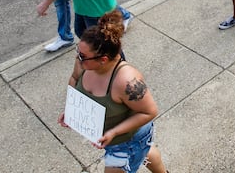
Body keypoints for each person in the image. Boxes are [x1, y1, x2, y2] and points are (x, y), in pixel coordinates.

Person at [59, 10, 167, 173]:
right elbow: (74, 78)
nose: (78, 58)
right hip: (114, 139)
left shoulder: (127, 81)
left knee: (138, 150)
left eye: (82, 56)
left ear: (103, 60)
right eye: (78, 52)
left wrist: (113, 132)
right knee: (146, 152)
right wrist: (71, 110)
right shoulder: (83, 62)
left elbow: (149, 112)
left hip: (128, 140)